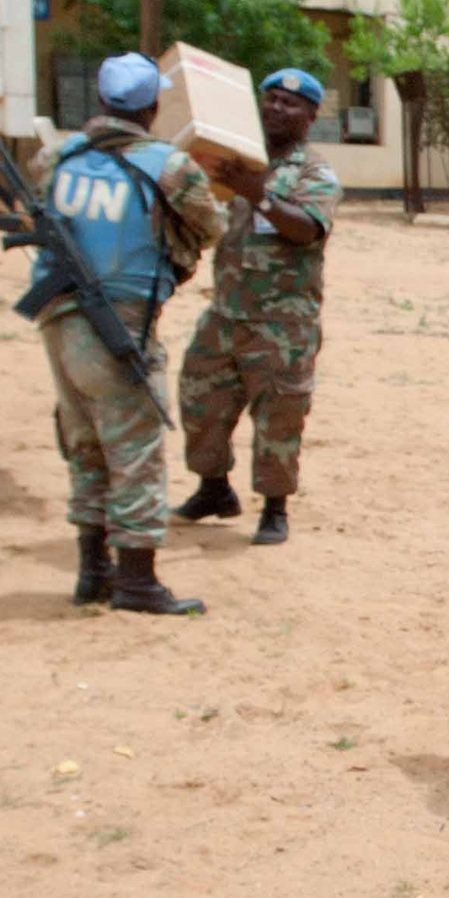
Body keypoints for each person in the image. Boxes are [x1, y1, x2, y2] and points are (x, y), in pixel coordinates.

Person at [21, 50, 232, 618]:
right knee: (135, 448)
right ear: (154, 107)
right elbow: (210, 226)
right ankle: (136, 581)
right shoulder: (167, 165)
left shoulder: (57, 157)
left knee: (86, 444)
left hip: (58, 317)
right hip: (121, 322)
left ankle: (93, 571)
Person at [174, 66, 343, 544]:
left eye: (290, 104)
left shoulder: (313, 172)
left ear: (310, 116)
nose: (277, 108)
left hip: (283, 323)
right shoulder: (236, 162)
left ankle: (274, 509)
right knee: (200, 402)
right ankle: (213, 490)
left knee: (279, 417)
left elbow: (307, 229)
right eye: (270, 99)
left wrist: (260, 195)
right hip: (226, 313)